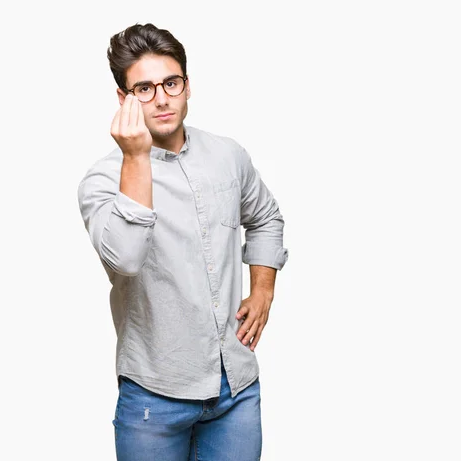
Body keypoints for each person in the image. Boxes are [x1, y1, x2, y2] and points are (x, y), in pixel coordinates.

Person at [76, 22, 288, 461]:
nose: (161, 98)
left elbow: (265, 216)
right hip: (155, 395)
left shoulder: (228, 155)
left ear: (188, 86)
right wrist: (136, 157)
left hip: (236, 390)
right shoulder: (101, 180)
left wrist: (263, 289)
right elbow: (127, 260)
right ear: (124, 99)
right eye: (144, 88)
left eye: (171, 83)